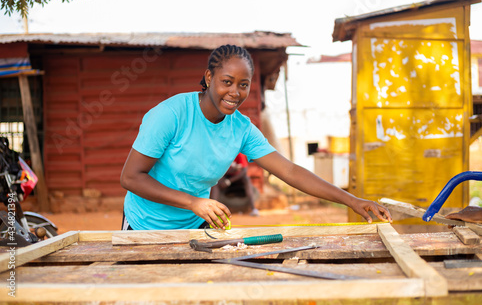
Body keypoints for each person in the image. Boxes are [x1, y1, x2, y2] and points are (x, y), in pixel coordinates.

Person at [120, 44, 392, 230]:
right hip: (144, 224)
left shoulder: (241, 129)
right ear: (208, 77)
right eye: (226, 81)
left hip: (194, 225)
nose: (235, 92)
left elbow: (290, 171)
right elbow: (131, 177)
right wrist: (194, 202)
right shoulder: (171, 115)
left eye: (243, 84)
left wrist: (353, 200)